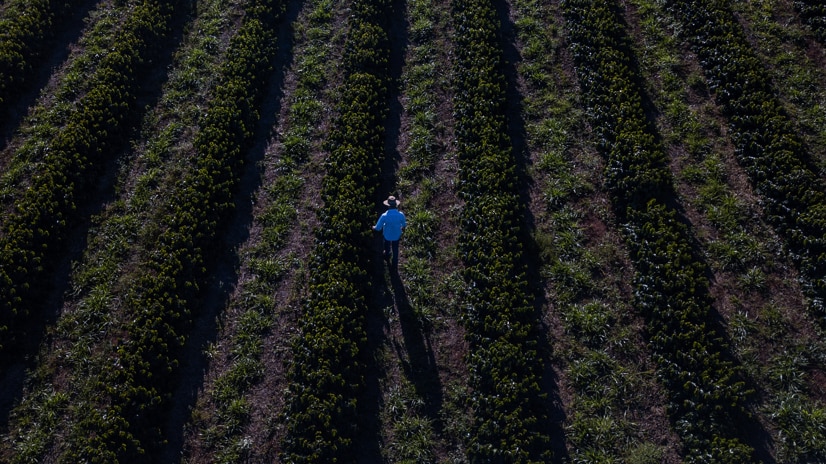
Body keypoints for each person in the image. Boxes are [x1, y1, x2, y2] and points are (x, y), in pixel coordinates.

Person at [373, 195, 406, 268]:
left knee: (387, 245)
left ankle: (387, 255)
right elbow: (404, 224)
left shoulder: (384, 216)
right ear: (396, 205)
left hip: (387, 235)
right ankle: (395, 261)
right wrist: (402, 228)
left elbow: (378, 227)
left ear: (388, 205)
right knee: (395, 247)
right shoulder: (401, 215)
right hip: (397, 235)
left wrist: (374, 227)